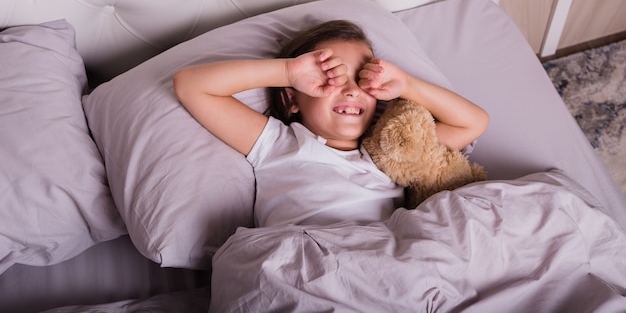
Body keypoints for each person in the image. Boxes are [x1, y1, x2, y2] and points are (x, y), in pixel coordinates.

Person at [173, 20, 489, 227]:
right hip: (305, 260)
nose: (352, 90)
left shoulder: (389, 153)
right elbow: (192, 86)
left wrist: (406, 85)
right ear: (292, 99)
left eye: (362, 79)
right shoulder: (278, 144)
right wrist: (286, 72)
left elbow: (473, 123)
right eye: (330, 79)